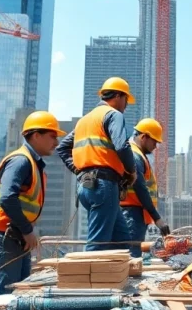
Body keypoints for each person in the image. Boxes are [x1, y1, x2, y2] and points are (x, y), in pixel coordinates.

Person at [0, 111, 64, 293]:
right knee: (6, 293)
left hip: (13, 233)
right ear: (36, 136)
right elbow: (7, 197)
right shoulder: (21, 161)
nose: (56, 142)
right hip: (2, 234)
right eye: (52, 136)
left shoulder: (31, 162)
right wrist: (27, 230)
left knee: (20, 291)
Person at [55, 77, 137, 251]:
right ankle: (87, 278)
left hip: (87, 187)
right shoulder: (113, 115)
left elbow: (62, 148)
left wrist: (78, 171)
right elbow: (122, 146)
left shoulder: (84, 121)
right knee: (97, 245)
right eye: (126, 100)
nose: (126, 105)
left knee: (122, 240)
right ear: (118, 96)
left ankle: (120, 275)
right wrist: (132, 171)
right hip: (103, 185)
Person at [120, 118, 172, 257]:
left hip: (135, 213)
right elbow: (140, 188)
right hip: (132, 213)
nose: (156, 146)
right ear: (144, 137)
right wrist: (157, 218)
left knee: (132, 253)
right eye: (154, 141)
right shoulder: (135, 156)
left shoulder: (136, 154)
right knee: (132, 256)